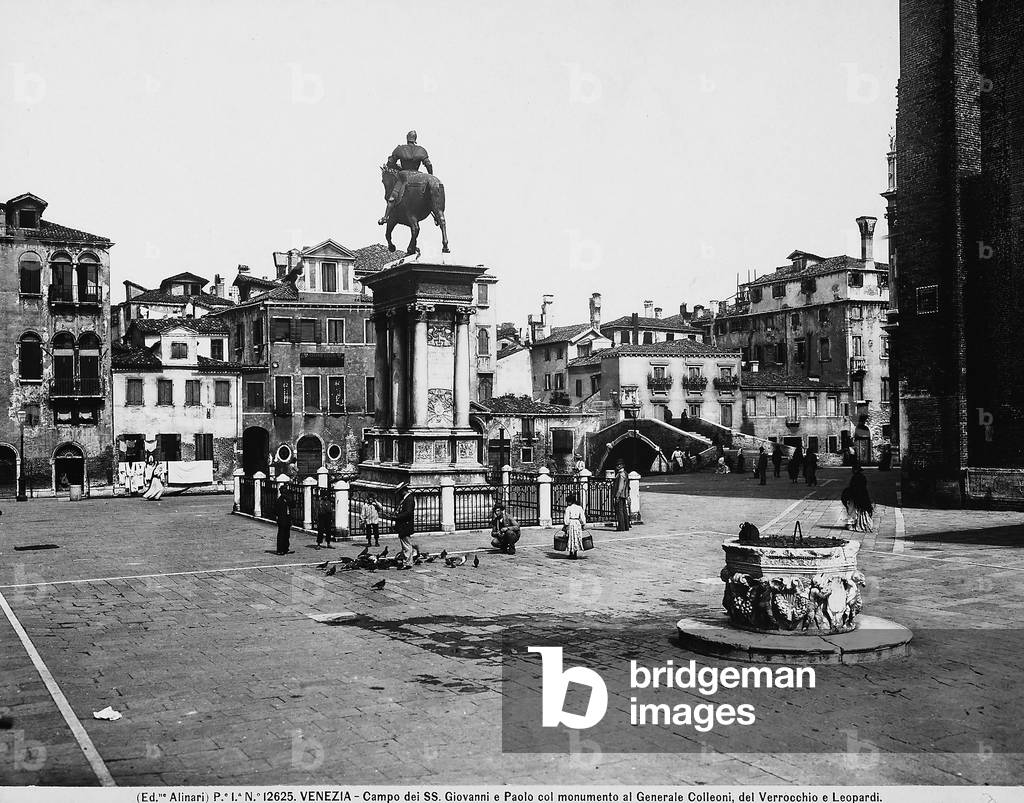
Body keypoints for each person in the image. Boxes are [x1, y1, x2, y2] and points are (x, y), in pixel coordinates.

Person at [379, 130, 434, 225]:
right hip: (417, 174)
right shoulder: (421, 150)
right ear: (415, 139)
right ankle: (434, 214)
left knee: (392, 197)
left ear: (407, 138)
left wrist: (398, 167)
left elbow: (390, 163)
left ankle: (385, 216)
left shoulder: (400, 149)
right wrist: (430, 175)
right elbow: (428, 164)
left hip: (404, 175)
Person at [844, 468, 875, 532]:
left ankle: (855, 524)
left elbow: (853, 487)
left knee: (852, 510)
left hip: (856, 495)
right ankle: (863, 524)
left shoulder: (854, 478)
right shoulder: (862, 477)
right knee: (860, 510)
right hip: (862, 496)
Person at [394, 483, 415, 562]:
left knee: (406, 545)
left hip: (406, 525)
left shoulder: (409, 499)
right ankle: (406, 560)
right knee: (405, 544)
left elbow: (408, 512)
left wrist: (397, 517)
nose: (399, 494)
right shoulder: (405, 499)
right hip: (403, 525)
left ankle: (408, 562)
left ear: (403, 491)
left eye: (399, 492)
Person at [563, 493, 588, 559]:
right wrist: (583, 524)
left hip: (571, 523)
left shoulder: (568, 508)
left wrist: (566, 524)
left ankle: (571, 552)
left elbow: (566, 518)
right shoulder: (579, 508)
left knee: (571, 538)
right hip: (577, 523)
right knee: (577, 537)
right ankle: (575, 552)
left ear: (570, 501)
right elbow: (582, 517)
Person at [613, 461, 631, 532]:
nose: (616, 467)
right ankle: (626, 526)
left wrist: (617, 496)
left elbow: (620, 487)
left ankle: (621, 527)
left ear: (620, 466)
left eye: (618, 465)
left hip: (620, 495)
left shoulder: (620, 475)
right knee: (624, 510)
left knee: (619, 511)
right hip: (624, 495)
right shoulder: (625, 473)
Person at [275, 484, 292, 555]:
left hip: (287, 518)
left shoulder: (287, 499)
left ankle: (286, 549)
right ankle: (280, 550)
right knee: (281, 535)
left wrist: (288, 499)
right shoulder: (280, 500)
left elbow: (293, 505)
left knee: (287, 535)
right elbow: (276, 511)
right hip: (282, 519)